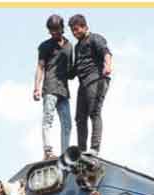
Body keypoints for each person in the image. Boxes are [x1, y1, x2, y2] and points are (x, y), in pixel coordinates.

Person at [68, 14, 112, 154]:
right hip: (83, 83)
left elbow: (106, 52)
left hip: (96, 79)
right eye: (73, 31)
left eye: (77, 29)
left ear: (85, 27)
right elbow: (75, 68)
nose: (75, 33)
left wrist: (107, 66)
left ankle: (94, 149)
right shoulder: (77, 46)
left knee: (94, 112)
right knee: (80, 118)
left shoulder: (95, 38)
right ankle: (81, 150)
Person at [35, 14, 73, 160]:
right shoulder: (45, 46)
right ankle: (48, 151)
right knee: (48, 119)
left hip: (63, 90)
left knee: (67, 123)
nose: (53, 33)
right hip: (50, 86)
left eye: (56, 29)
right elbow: (40, 67)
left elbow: (70, 71)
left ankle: (65, 153)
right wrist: (36, 87)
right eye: (51, 30)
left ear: (62, 28)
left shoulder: (69, 46)